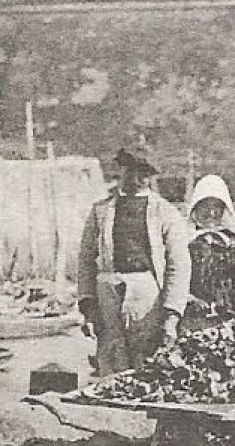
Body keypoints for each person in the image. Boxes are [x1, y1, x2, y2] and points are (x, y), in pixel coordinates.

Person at [76, 148, 192, 374]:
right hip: (108, 290)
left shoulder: (166, 213)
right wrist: (88, 307)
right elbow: (86, 260)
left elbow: (178, 266)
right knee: (110, 352)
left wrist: (171, 315)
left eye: (146, 174)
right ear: (122, 170)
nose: (141, 179)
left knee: (147, 357)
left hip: (146, 293)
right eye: (135, 172)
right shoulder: (101, 211)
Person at [183, 174, 235, 318]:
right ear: (195, 207)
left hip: (227, 313)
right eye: (205, 206)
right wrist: (188, 298)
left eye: (217, 206)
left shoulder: (234, 241)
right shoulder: (182, 239)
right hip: (192, 312)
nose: (211, 213)